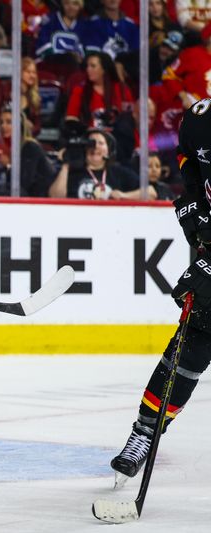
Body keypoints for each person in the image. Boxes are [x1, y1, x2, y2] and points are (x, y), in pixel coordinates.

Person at [109, 97, 211, 486]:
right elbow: (190, 164)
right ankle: (145, 433)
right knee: (190, 347)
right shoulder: (200, 120)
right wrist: (194, 207)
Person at [48, 128, 139, 198]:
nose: (95, 147)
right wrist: (66, 165)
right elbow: (55, 197)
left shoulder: (118, 172)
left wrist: (124, 196)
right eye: (91, 143)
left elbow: (150, 192)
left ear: (109, 150)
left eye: (101, 143)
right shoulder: (71, 172)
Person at [0, 107, 56, 197]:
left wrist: (8, 166)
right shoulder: (12, 148)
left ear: (19, 126)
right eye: (1, 122)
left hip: (40, 200)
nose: (3, 126)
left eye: (9, 122)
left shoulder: (30, 146)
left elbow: (23, 183)